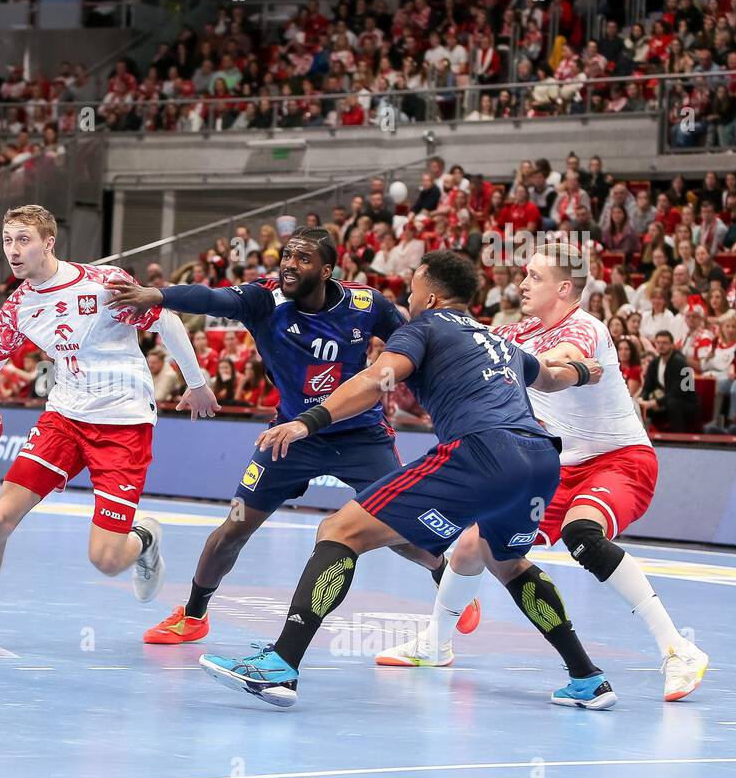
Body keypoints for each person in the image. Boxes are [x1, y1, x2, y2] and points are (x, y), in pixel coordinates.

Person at [199, 250, 617, 710]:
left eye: (413, 287)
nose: (407, 295)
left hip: (480, 451)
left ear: (432, 295)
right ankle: (587, 678)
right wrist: (581, 372)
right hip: (539, 460)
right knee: (509, 564)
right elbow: (551, 378)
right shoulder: (498, 342)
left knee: (338, 531)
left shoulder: (424, 328)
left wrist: (308, 421)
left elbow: (378, 379)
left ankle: (281, 664)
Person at [106, 228, 470, 646]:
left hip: (361, 436)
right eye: (287, 256)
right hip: (290, 436)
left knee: (401, 535)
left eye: (303, 259)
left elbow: (415, 345)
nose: (289, 266)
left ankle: (449, 578)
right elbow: (211, 298)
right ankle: (193, 615)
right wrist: (159, 295)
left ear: (327, 269)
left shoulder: (367, 304)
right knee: (234, 528)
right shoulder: (265, 299)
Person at [0, 204, 218, 650]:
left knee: (107, 560)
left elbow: (166, 319)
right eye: (7, 241)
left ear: (48, 243)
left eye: (23, 240)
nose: (13, 252)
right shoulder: (19, 305)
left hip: (123, 422)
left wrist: (197, 383)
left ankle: (144, 536)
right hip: (64, 418)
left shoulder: (103, 283)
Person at [421, 242, 707, 701]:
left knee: (583, 535)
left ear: (565, 287)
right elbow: (478, 344)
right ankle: (434, 644)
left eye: (534, 276)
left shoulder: (585, 328)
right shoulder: (522, 332)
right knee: (476, 543)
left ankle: (678, 649)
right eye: (524, 274)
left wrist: (550, 366)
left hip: (621, 460)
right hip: (561, 467)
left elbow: (563, 358)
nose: (522, 283)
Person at [638, 330, 694, 431]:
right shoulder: (654, 363)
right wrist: (642, 399)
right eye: (658, 343)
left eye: (664, 343)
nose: (661, 346)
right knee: (639, 405)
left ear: (672, 345)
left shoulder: (681, 363)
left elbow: (681, 392)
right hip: (665, 401)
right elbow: (647, 387)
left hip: (686, 404)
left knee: (673, 403)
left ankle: (678, 439)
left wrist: (657, 402)